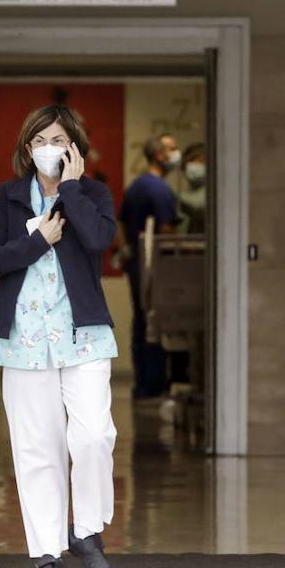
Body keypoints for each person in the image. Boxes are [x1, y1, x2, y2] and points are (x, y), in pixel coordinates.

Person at [0, 104, 118, 568]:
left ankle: (87, 534)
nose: (47, 149)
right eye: (38, 141)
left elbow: (99, 239)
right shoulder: (9, 198)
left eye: (56, 139)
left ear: (74, 146)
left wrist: (72, 189)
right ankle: (46, 557)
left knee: (94, 436)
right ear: (26, 149)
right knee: (38, 450)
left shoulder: (93, 193)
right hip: (24, 340)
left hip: (85, 335)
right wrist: (38, 242)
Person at [117, 134, 180, 399]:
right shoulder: (160, 190)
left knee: (141, 322)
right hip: (155, 268)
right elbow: (167, 232)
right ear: (160, 155)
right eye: (172, 149)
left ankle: (143, 382)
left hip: (137, 266)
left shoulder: (136, 187)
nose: (176, 155)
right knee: (156, 323)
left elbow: (120, 224)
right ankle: (153, 383)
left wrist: (126, 252)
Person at [177, 142, 207, 235]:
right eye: (190, 161)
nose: (194, 165)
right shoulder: (190, 192)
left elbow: (198, 205)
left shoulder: (214, 191)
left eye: (200, 161)